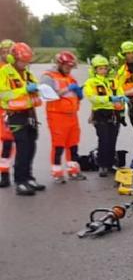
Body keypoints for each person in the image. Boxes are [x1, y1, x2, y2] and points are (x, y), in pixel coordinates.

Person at [0, 42, 46, 195]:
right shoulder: (4, 72)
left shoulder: (27, 73)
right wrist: (24, 89)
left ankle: (29, 177)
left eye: (27, 61)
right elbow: (4, 94)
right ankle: (20, 181)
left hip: (30, 114)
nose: (25, 64)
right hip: (15, 116)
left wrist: (38, 91)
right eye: (22, 61)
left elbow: (35, 93)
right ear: (13, 59)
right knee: (22, 148)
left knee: (31, 147)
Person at [40, 51, 86, 183]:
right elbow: (47, 95)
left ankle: (73, 171)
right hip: (57, 115)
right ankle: (57, 172)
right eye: (67, 66)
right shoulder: (48, 76)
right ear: (59, 64)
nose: (69, 69)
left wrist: (79, 93)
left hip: (72, 115)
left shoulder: (71, 78)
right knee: (58, 145)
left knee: (73, 144)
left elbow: (77, 96)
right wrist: (66, 90)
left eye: (71, 67)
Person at [84, 55, 128, 177]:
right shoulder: (91, 82)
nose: (103, 71)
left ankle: (110, 164)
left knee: (112, 139)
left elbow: (119, 92)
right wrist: (109, 98)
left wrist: (122, 98)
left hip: (114, 113)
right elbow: (93, 98)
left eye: (105, 68)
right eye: (100, 69)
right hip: (100, 113)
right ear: (95, 70)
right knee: (103, 139)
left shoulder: (113, 81)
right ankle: (102, 165)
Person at [0, 39, 15, 187]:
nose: (6, 55)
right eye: (3, 52)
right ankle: (4, 174)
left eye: (8, 52)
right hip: (3, 110)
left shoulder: (18, 69)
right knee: (7, 141)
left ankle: (21, 174)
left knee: (23, 143)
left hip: (18, 109)